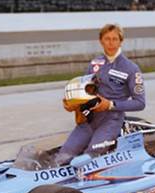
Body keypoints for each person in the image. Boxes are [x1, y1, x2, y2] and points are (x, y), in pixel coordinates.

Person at [56, 24, 145, 165]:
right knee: (63, 156)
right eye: (107, 39)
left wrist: (110, 105)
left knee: (89, 158)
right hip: (89, 120)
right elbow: (84, 90)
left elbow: (140, 103)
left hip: (112, 121)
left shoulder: (131, 68)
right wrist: (72, 104)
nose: (111, 43)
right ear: (101, 41)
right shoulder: (95, 63)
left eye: (115, 39)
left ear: (121, 41)